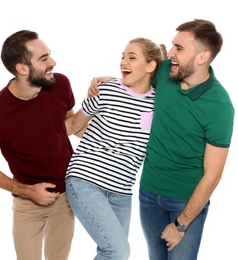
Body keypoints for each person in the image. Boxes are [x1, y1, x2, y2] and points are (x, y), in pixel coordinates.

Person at [89, 19, 235, 260]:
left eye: (179, 48)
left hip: (185, 201)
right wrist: (106, 81)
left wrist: (181, 225)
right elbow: (137, 81)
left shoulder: (219, 106)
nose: (170, 54)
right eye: (172, 46)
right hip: (148, 193)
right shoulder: (167, 71)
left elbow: (213, 175)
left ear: (202, 57)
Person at [0, 30, 76, 260]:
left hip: (66, 195)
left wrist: (97, 99)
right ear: (22, 68)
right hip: (28, 203)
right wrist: (28, 191)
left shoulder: (59, 84)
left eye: (49, 55)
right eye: (43, 59)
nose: (53, 62)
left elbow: (67, 125)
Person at [65, 38, 167, 259]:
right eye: (122, 56)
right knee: (118, 251)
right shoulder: (105, 90)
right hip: (85, 180)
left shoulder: (159, 103)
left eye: (132, 57)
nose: (123, 62)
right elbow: (73, 126)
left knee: (113, 253)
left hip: (121, 191)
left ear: (150, 66)